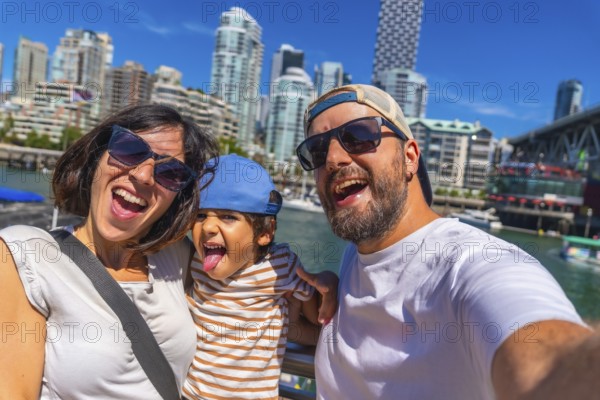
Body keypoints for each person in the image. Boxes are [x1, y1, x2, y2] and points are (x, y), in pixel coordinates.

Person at [296, 84, 597, 399]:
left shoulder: (473, 262)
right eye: (317, 151)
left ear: (410, 157)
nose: (332, 159)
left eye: (357, 136)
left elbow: (546, 355)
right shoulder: (355, 256)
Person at [0, 104, 219, 399]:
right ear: (96, 157)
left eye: (171, 171)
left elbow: (246, 300)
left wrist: (287, 269)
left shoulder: (177, 257)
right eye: (129, 149)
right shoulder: (27, 255)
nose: (144, 175)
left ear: (178, 196)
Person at [182, 154, 333, 400]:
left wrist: (324, 288)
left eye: (228, 216)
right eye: (201, 215)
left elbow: (317, 319)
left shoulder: (279, 265)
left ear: (265, 232)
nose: (207, 227)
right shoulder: (195, 261)